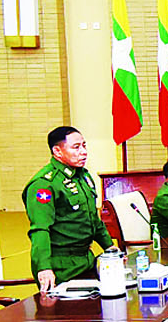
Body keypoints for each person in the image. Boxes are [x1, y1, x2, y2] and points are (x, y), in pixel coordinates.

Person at [24, 125, 115, 291]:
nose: (83, 152)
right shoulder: (44, 184)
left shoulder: (83, 176)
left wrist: (109, 247)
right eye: (76, 147)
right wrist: (44, 267)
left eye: (84, 146)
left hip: (86, 260)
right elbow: (40, 229)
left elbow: (93, 219)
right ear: (57, 151)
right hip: (61, 266)